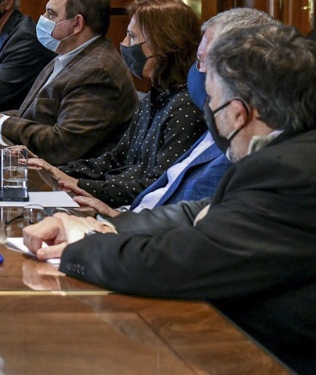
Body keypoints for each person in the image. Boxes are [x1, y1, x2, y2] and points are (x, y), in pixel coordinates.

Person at [22, 24, 316, 372]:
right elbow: (200, 213)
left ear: (239, 113)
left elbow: (179, 264)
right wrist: (106, 225)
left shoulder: (289, 173)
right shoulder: (289, 153)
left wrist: (87, 242)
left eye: (212, 102)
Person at [68, 7, 276, 217]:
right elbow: (127, 163)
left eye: (203, 61)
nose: (198, 71)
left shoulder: (216, 126)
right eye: (197, 60)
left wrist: (114, 220)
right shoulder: (161, 99)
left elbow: (197, 217)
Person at [26, 0, 206, 208]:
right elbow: (117, 159)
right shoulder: (154, 97)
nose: (123, 44)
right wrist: (57, 171)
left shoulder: (186, 107)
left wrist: (80, 184)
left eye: (131, 36)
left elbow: (157, 186)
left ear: (164, 44)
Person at [0, 0, 138, 164]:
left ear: (77, 24)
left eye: (51, 14)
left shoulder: (98, 70)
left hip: (67, 179)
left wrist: (1, 122)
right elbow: (37, 114)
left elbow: (63, 144)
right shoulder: (67, 54)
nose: (42, 18)